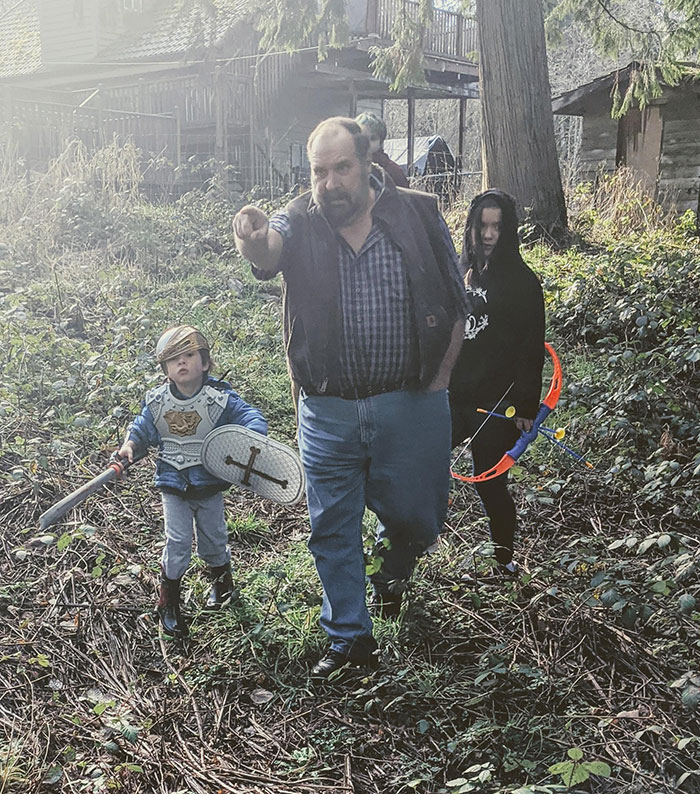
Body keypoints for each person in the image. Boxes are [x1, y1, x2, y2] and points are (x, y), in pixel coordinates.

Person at [233, 117, 468, 678]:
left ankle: (391, 570)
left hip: (410, 401)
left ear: (367, 164)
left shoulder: (417, 213)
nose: (330, 183)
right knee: (332, 526)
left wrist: (439, 382)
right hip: (328, 408)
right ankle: (348, 640)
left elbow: (455, 302)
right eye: (319, 171)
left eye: (341, 169)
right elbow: (269, 253)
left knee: (419, 517)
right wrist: (251, 237)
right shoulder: (300, 218)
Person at [117, 325, 267, 636]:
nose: (182, 363)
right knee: (178, 542)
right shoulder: (157, 401)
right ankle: (168, 602)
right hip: (173, 484)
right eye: (174, 359)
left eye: (189, 355)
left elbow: (252, 417)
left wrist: (249, 437)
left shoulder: (219, 399)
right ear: (166, 369)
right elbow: (142, 429)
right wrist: (130, 445)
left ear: (205, 362)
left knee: (214, 539)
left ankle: (223, 587)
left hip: (209, 483)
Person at [449, 190, 545, 576]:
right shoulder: (459, 272)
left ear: (508, 231)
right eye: (482, 226)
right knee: (422, 465)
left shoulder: (523, 283)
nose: (489, 235)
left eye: (497, 227)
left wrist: (525, 407)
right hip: (453, 395)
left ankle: (503, 557)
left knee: (490, 484)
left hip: (496, 403)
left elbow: (531, 348)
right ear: (472, 228)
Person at [355, 111, 410, 188]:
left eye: (373, 138)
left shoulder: (392, 171)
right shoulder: (346, 165)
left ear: (380, 142)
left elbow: (405, 198)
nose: (367, 142)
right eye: (362, 137)